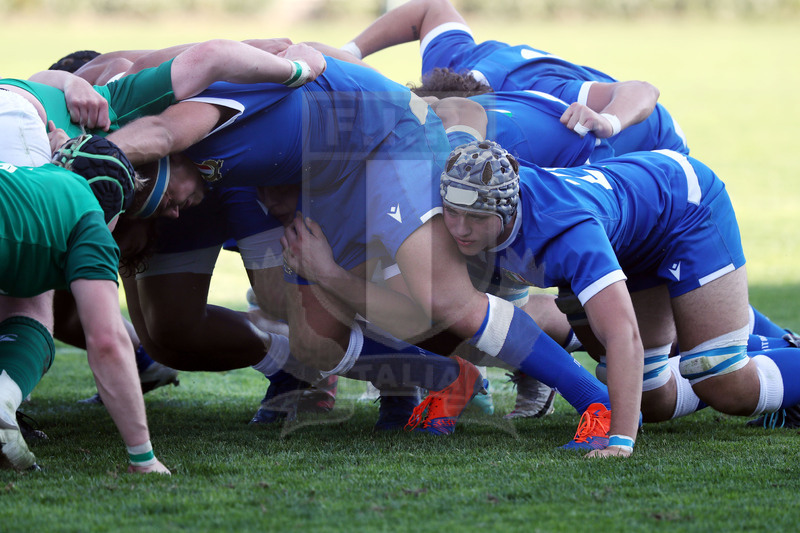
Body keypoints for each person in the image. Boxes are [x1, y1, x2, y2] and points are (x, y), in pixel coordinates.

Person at [102, 54, 616, 449]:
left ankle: (595, 400)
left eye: (165, 199)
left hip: (391, 143)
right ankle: (438, 375)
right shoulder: (190, 147)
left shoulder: (202, 112)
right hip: (330, 175)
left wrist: (309, 56)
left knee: (443, 299)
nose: (173, 212)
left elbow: (203, 61)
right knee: (313, 337)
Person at [436, 139, 800, 448]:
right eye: (453, 213)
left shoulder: (567, 234)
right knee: (648, 397)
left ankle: (747, 351)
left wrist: (620, 440)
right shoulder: (474, 196)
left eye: (477, 219)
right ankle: (744, 340)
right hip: (630, 231)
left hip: (685, 210)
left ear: (507, 209)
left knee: (720, 379)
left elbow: (622, 334)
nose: (461, 229)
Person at [0, 134, 169, 473]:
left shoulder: (31, 181)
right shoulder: (90, 224)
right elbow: (107, 342)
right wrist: (143, 457)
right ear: (116, 208)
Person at [343, 0, 686, 156]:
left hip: (654, 137)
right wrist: (351, 51)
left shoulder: (541, 93)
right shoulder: (449, 64)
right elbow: (431, 7)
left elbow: (643, 90)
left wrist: (608, 121)